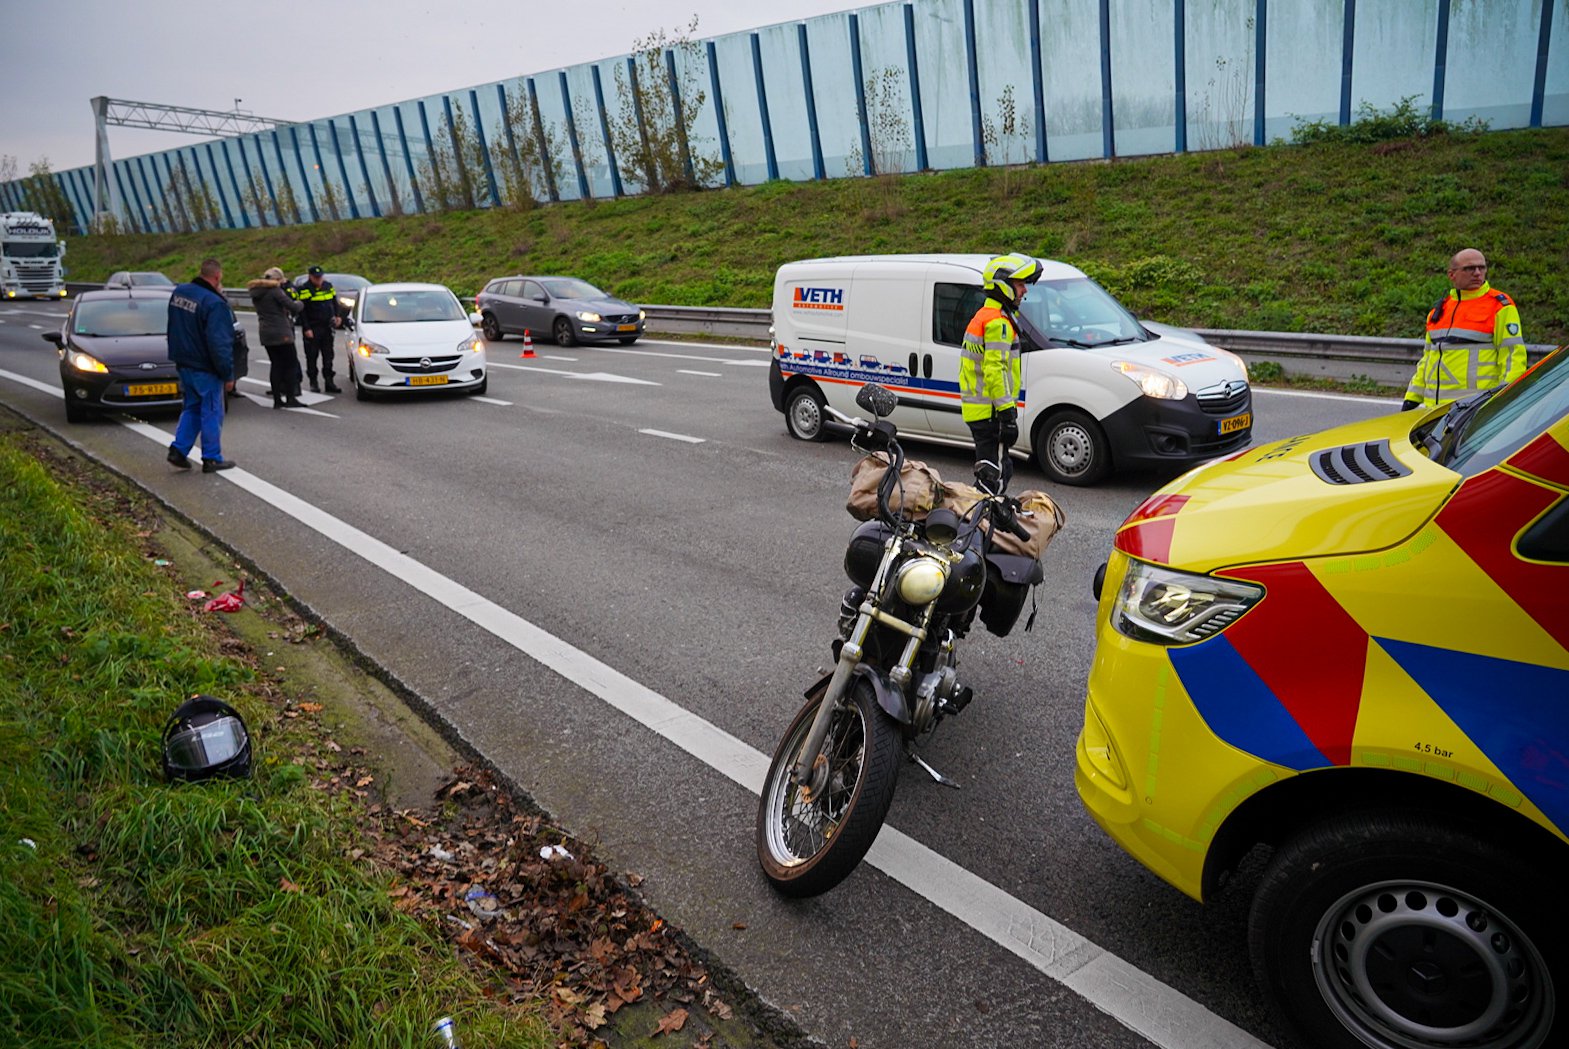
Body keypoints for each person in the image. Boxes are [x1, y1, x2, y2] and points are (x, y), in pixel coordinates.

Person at [1403, 248, 1527, 411]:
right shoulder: (1439, 311)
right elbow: (1428, 359)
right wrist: (1412, 397)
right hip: (1434, 410)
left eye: (1481, 267)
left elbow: (1513, 357)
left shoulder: (1499, 306)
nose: (1477, 273)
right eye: (1469, 268)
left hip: (1475, 408)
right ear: (1452, 275)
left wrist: (1506, 399)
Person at [961, 252, 1040, 492]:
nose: (1024, 290)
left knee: (993, 471)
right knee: (994, 478)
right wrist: (1007, 414)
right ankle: (981, 524)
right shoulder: (998, 323)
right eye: (1019, 284)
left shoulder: (987, 315)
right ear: (1003, 286)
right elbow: (994, 369)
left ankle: (979, 521)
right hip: (991, 412)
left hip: (982, 410)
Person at [166, 258, 237, 472]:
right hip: (205, 367)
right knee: (212, 411)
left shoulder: (180, 293)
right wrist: (228, 374)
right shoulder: (214, 303)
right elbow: (220, 343)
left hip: (183, 362)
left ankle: (178, 450)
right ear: (217, 277)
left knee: (192, 408)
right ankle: (212, 457)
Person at [248, 266, 305, 408]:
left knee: (276, 365)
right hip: (281, 331)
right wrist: (300, 303)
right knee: (290, 364)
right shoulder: (275, 291)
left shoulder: (256, 292)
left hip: (266, 332)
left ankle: (277, 400)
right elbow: (292, 306)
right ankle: (291, 398)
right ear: (276, 280)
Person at [294, 264, 343, 393]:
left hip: (327, 327)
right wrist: (306, 328)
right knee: (312, 357)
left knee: (328, 356)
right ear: (310, 277)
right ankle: (313, 382)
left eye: (320, 277)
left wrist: (337, 316)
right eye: (316, 277)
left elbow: (334, 302)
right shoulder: (304, 289)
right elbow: (302, 312)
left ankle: (329, 381)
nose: (319, 279)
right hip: (313, 328)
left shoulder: (328, 286)